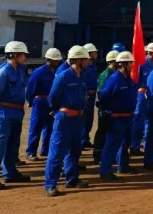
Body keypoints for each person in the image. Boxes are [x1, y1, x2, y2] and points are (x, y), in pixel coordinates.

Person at [43, 46, 91, 197]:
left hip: (77, 118)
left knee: (75, 150)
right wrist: (59, 111)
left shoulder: (81, 76)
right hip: (64, 118)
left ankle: (72, 179)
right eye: (86, 59)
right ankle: (50, 184)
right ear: (78, 60)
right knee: (57, 151)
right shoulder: (63, 76)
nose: (88, 61)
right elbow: (52, 98)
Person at [0, 41, 30, 190]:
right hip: (3, 113)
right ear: (15, 55)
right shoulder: (3, 72)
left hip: (16, 112)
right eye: (23, 55)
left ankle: (10, 173)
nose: (25, 58)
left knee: (12, 145)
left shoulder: (19, 70)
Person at [100, 51, 138, 180]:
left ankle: (123, 166)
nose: (132, 65)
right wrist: (110, 111)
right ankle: (105, 171)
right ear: (124, 64)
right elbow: (104, 97)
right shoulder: (115, 79)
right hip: (117, 118)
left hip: (127, 117)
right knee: (111, 145)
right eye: (131, 63)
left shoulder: (128, 79)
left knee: (124, 144)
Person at [25, 48, 62, 161]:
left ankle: (45, 150)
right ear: (49, 60)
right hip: (40, 101)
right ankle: (31, 152)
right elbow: (30, 89)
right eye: (55, 60)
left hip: (51, 102)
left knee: (50, 127)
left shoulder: (57, 72)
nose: (58, 62)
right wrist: (31, 101)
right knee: (36, 127)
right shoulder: (39, 72)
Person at [130, 42, 153, 156]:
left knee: (149, 121)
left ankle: (147, 145)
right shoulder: (141, 65)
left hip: (152, 95)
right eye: (150, 53)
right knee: (138, 120)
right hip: (142, 95)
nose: (151, 55)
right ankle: (134, 145)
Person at [93, 50, 119, 164]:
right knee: (102, 132)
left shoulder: (114, 73)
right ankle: (98, 155)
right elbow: (103, 94)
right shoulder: (105, 75)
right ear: (112, 62)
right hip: (105, 110)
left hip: (111, 109)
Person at [81, 43, 99, 149]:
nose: (96, 54)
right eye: (94, 52)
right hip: (87, 94)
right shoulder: (85, 67)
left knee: (89, 119)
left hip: (92, 95)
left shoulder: (92, 66)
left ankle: (85, 138)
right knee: (84, 118)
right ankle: (82, 140)